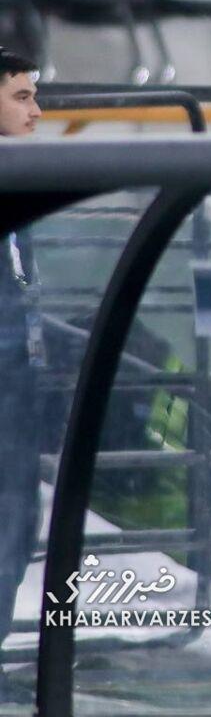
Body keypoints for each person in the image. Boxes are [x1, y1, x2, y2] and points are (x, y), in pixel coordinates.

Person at [0, 46, 42, 703]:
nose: (38, 111)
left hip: (16, 380)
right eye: (22, 97)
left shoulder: (24, 178)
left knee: (17, 516)